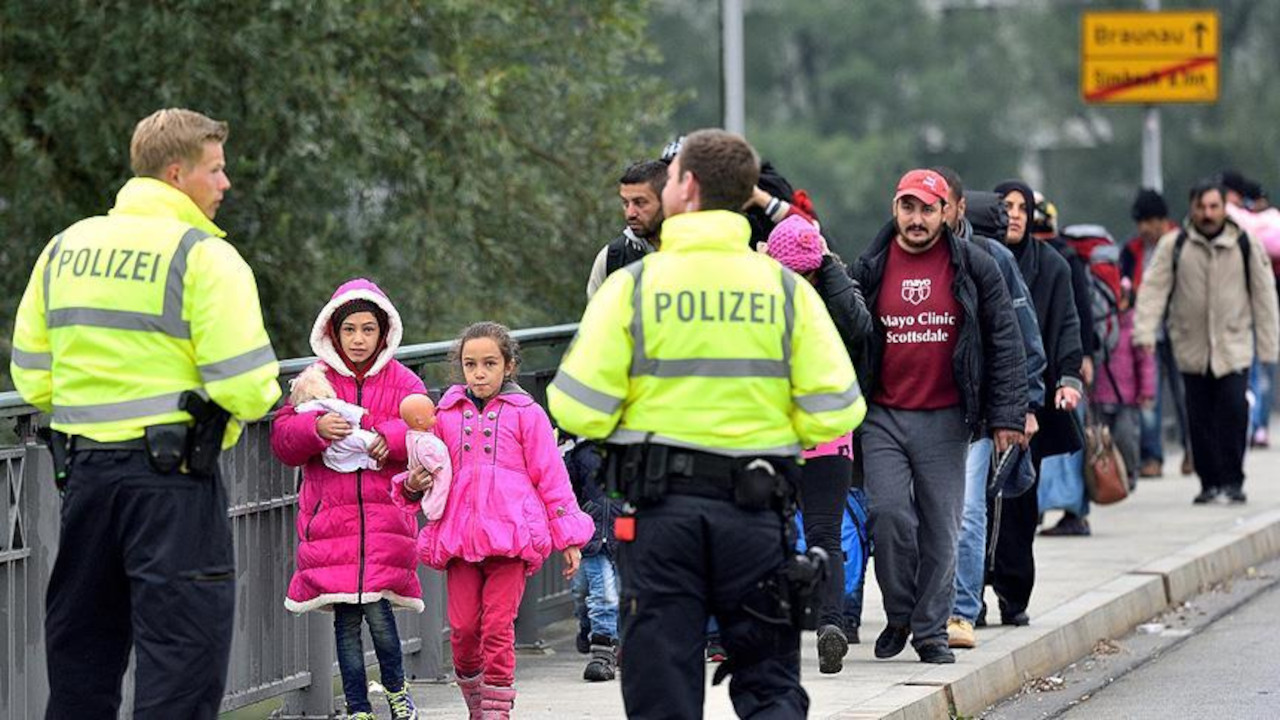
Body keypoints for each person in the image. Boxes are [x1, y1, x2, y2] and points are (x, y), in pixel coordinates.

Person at [547, 128, 865, 718]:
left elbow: (573, 407)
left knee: (662, 691)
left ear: (687, 187)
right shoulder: (784, 290)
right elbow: (840, 407)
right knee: (770, 689)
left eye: (668, 180)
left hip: (659, 519)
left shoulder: (633, 288)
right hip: (757, 515)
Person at [9, 108, 280, 719]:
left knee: (82, 655)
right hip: (173, 486)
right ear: (178, 173)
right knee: (180, 665)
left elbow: (30, 375)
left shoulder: (64, 248)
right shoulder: (204, 257)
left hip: (82, 480)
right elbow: (248, 387)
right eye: (217, 170)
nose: (225, 184)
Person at [853, 169, 1027, 664]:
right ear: (895, 209)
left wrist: (1008, 415)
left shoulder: (975, 265)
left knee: (942, 530)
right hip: (883, 414)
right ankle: (900, 612)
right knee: (888, 517)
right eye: (908, 208)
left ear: (946, 213)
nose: (917, 219)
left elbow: (1005, 342)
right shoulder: (871, 266)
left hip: (948, 418)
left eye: (928, 208)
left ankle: (930, 632)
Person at [398, 321, 593, 719]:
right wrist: (412, 484)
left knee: (498, 627)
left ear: (509, 365)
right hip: (460, 538)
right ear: (462, 368)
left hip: (511, 539)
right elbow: (429, 466)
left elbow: (552, 477)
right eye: (471, 364)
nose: (479, 372)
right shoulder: (446, 414)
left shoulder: (529, 415)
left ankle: (497, 712)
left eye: (489, 363)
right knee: (465, 630)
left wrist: (569, 538)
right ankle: (477, 705)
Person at [271, 279, 424, 720]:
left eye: (368, 330)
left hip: (384, 520)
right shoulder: (313, 382)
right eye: (350, 330)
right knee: (346, 621)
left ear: (384, 332)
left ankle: (396, 690)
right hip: (331, 524)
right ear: (333, 332)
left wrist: (388, 438)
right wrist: (314, 431)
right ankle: (358, 707)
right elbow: (283, 440)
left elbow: (425, 428)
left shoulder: (404, 381)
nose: (359, 339)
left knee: (378, 614)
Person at [930, 169, 1047, 651]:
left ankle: (960, 610)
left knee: (970, 510)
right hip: (919, 409)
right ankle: (928, 606)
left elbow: (1021, 338)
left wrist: (1023, 404)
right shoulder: (898, 257)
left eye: (938, 205)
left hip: (976, 411)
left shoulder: (992, 259)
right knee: (923, 515)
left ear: (955, 209)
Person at [764, 214, 874, 673]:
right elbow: (864, 333)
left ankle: (780, 629)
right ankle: (831, 621)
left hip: (778, 435)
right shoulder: (840, 299)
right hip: (832, 433)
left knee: (774, 532)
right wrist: (829, 266)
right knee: (826, 534)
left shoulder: (764, 301)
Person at [1134, 180, 1280, 505]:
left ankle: (1233, 479)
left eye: (1214, 207)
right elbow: (1154, 289)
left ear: (1223, 209)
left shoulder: (1244, 243)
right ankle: (1209, 482)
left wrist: (1269, 347)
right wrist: (1144, 331)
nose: (1208, 213)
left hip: (1234, 346)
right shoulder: (1176, 244)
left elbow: (1264, 295)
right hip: (1191, 348)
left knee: (1233, 411)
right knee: (1198, 419)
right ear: (1192, 208)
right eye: (1202, 207)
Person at [988, 180, 1083, 625]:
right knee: (976, 505)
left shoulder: (1053, 266)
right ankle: (972, 595)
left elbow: (1066, 325)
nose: (1015, 214)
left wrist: (1067, 378)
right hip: (983, 402)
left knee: (1022, 500)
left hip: (1034, 403)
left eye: (1022, 207)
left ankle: (1013, 592)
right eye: (1005, 206)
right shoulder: (979, 260)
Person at [1121, 188, 1192, 478]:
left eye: (1149, 221)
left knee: (1185, 395)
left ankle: (1193, 451)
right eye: (1140, 223)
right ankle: (1152, 456)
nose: (1144, 229)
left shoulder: (1183, 243)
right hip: (1148, 333)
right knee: (1149, 399)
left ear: (1163, 220)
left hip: (1180, 331)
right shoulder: (1132, 250)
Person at [1090, 278, 1155, 490]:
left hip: (1127, 397)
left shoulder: (1134, 326)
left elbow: (1145, 363)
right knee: (1102, 442)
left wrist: (1146, 390)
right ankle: (1107, 476)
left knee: (1126, 438)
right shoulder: (1100, 324)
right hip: (1100, 394)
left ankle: (1129, 471)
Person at [586, 160, 667, 299]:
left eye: (640, 203)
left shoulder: (693, 251)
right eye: (625, 203)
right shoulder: (611, 257)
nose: (630, 213)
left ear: (666, 200)